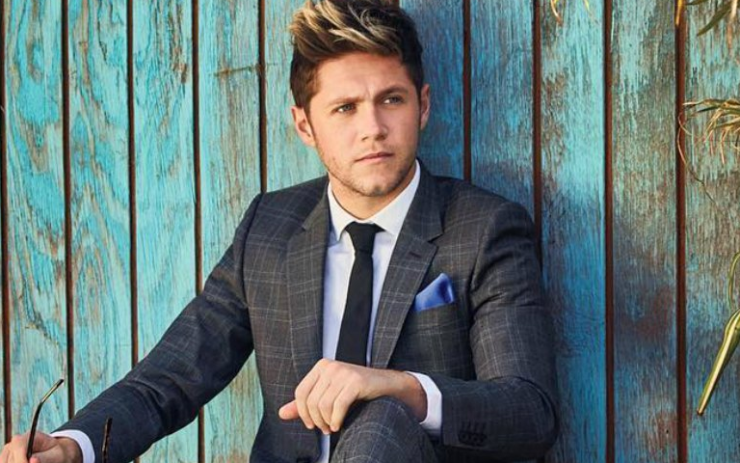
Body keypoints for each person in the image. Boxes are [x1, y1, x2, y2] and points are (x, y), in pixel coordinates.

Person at [1, 0, 558, 462]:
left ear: (423, 105)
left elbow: (530, 412)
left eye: (391, 99)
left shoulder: (484, 229)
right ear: (304, 125)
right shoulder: (269, 229)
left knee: (383, 418)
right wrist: (73, 446)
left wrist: (403, 389)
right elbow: (169, 379)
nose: (373, 128)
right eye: (345, 108)